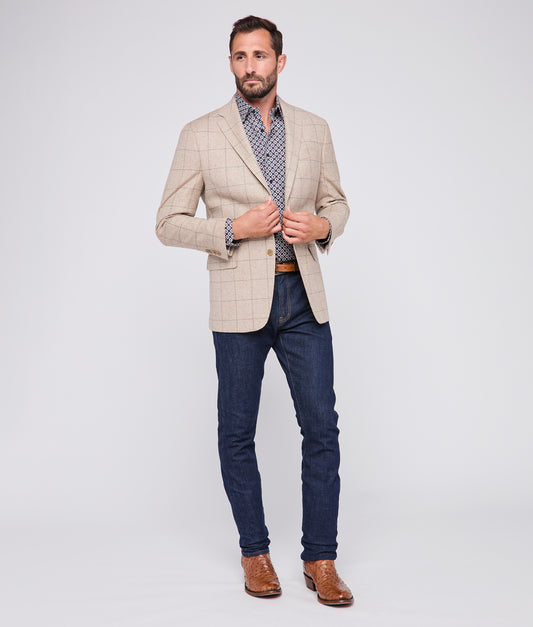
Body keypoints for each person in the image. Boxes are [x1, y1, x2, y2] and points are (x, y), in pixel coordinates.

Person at [156, 15, 352, 607]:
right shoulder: (200, 133)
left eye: (260, 56)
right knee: (237, 432)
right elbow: (167, 223)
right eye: (240, 56)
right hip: (238, 302)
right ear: (231, 63)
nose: (250, 66)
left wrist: (323, 227)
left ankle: (321, 557)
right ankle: (255, 552)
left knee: (322, 429)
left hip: (302, 297)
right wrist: (231, 229)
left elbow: (337, 204)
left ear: (279, 62)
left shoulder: (314, 129)